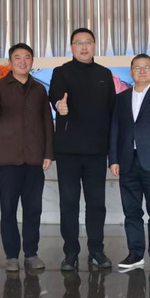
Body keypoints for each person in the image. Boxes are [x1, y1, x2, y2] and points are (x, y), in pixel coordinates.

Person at [49, 28, 116, 271]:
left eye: (88, 42)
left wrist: (111, 149)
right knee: (69, 204)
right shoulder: (61, 72)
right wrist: (60, 105)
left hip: (96, 151)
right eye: (79, 43)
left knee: (96, 204)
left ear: (95, 46)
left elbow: (112, 111)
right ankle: (71, 253)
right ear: (72, 47)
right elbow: (55, 96)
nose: (84, 47)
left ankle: (97, 250)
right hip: (68, 151)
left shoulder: (104, 74)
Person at [0, 43, 53, 272]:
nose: (23, 61)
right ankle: (11, 255)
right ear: (10, 62)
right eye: (18, 57)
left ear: (32, 61)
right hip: (8, 159)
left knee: (33, 209)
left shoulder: (39, 89)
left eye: (27, 57)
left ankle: (31, 253)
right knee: (8, 209)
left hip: (33, 159)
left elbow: (46, 122)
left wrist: (48, 153)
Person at [109, 54, 150, 273]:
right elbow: (115, 129)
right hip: (127, 161)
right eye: (138, 67)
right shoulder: (121, 98)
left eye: (147, 67)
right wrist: (114, 159)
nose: (142, 71)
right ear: (131, 72)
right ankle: (135, 254)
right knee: (131, 211)